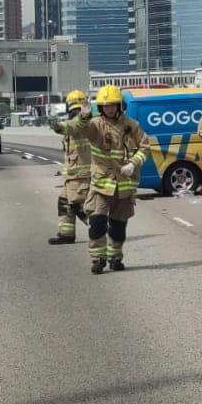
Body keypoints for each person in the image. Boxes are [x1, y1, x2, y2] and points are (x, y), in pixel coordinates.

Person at [69, 86, 150, 273]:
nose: (109, 109)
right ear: (101, 108)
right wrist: (83, 117)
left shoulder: (132, 125)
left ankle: (115, 257)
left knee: (118, 227)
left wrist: (133, 163)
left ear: (119, 105)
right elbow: (79, 130)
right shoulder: (95, 124)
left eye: (112, 105)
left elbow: (145, 147)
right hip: (100, 185)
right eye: (105, 106)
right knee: (97, 223)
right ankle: (98, 259)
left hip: (123, 187)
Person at [48, 89, 92, 244]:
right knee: (64, 202)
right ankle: (66, 234)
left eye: (76, 110)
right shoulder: (77, 122)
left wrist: (58, 126)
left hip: (81, 175)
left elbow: (75, 124)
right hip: (72, 175)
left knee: (79, 206)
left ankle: (100, 229)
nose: (74, 113)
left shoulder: (83, 122)